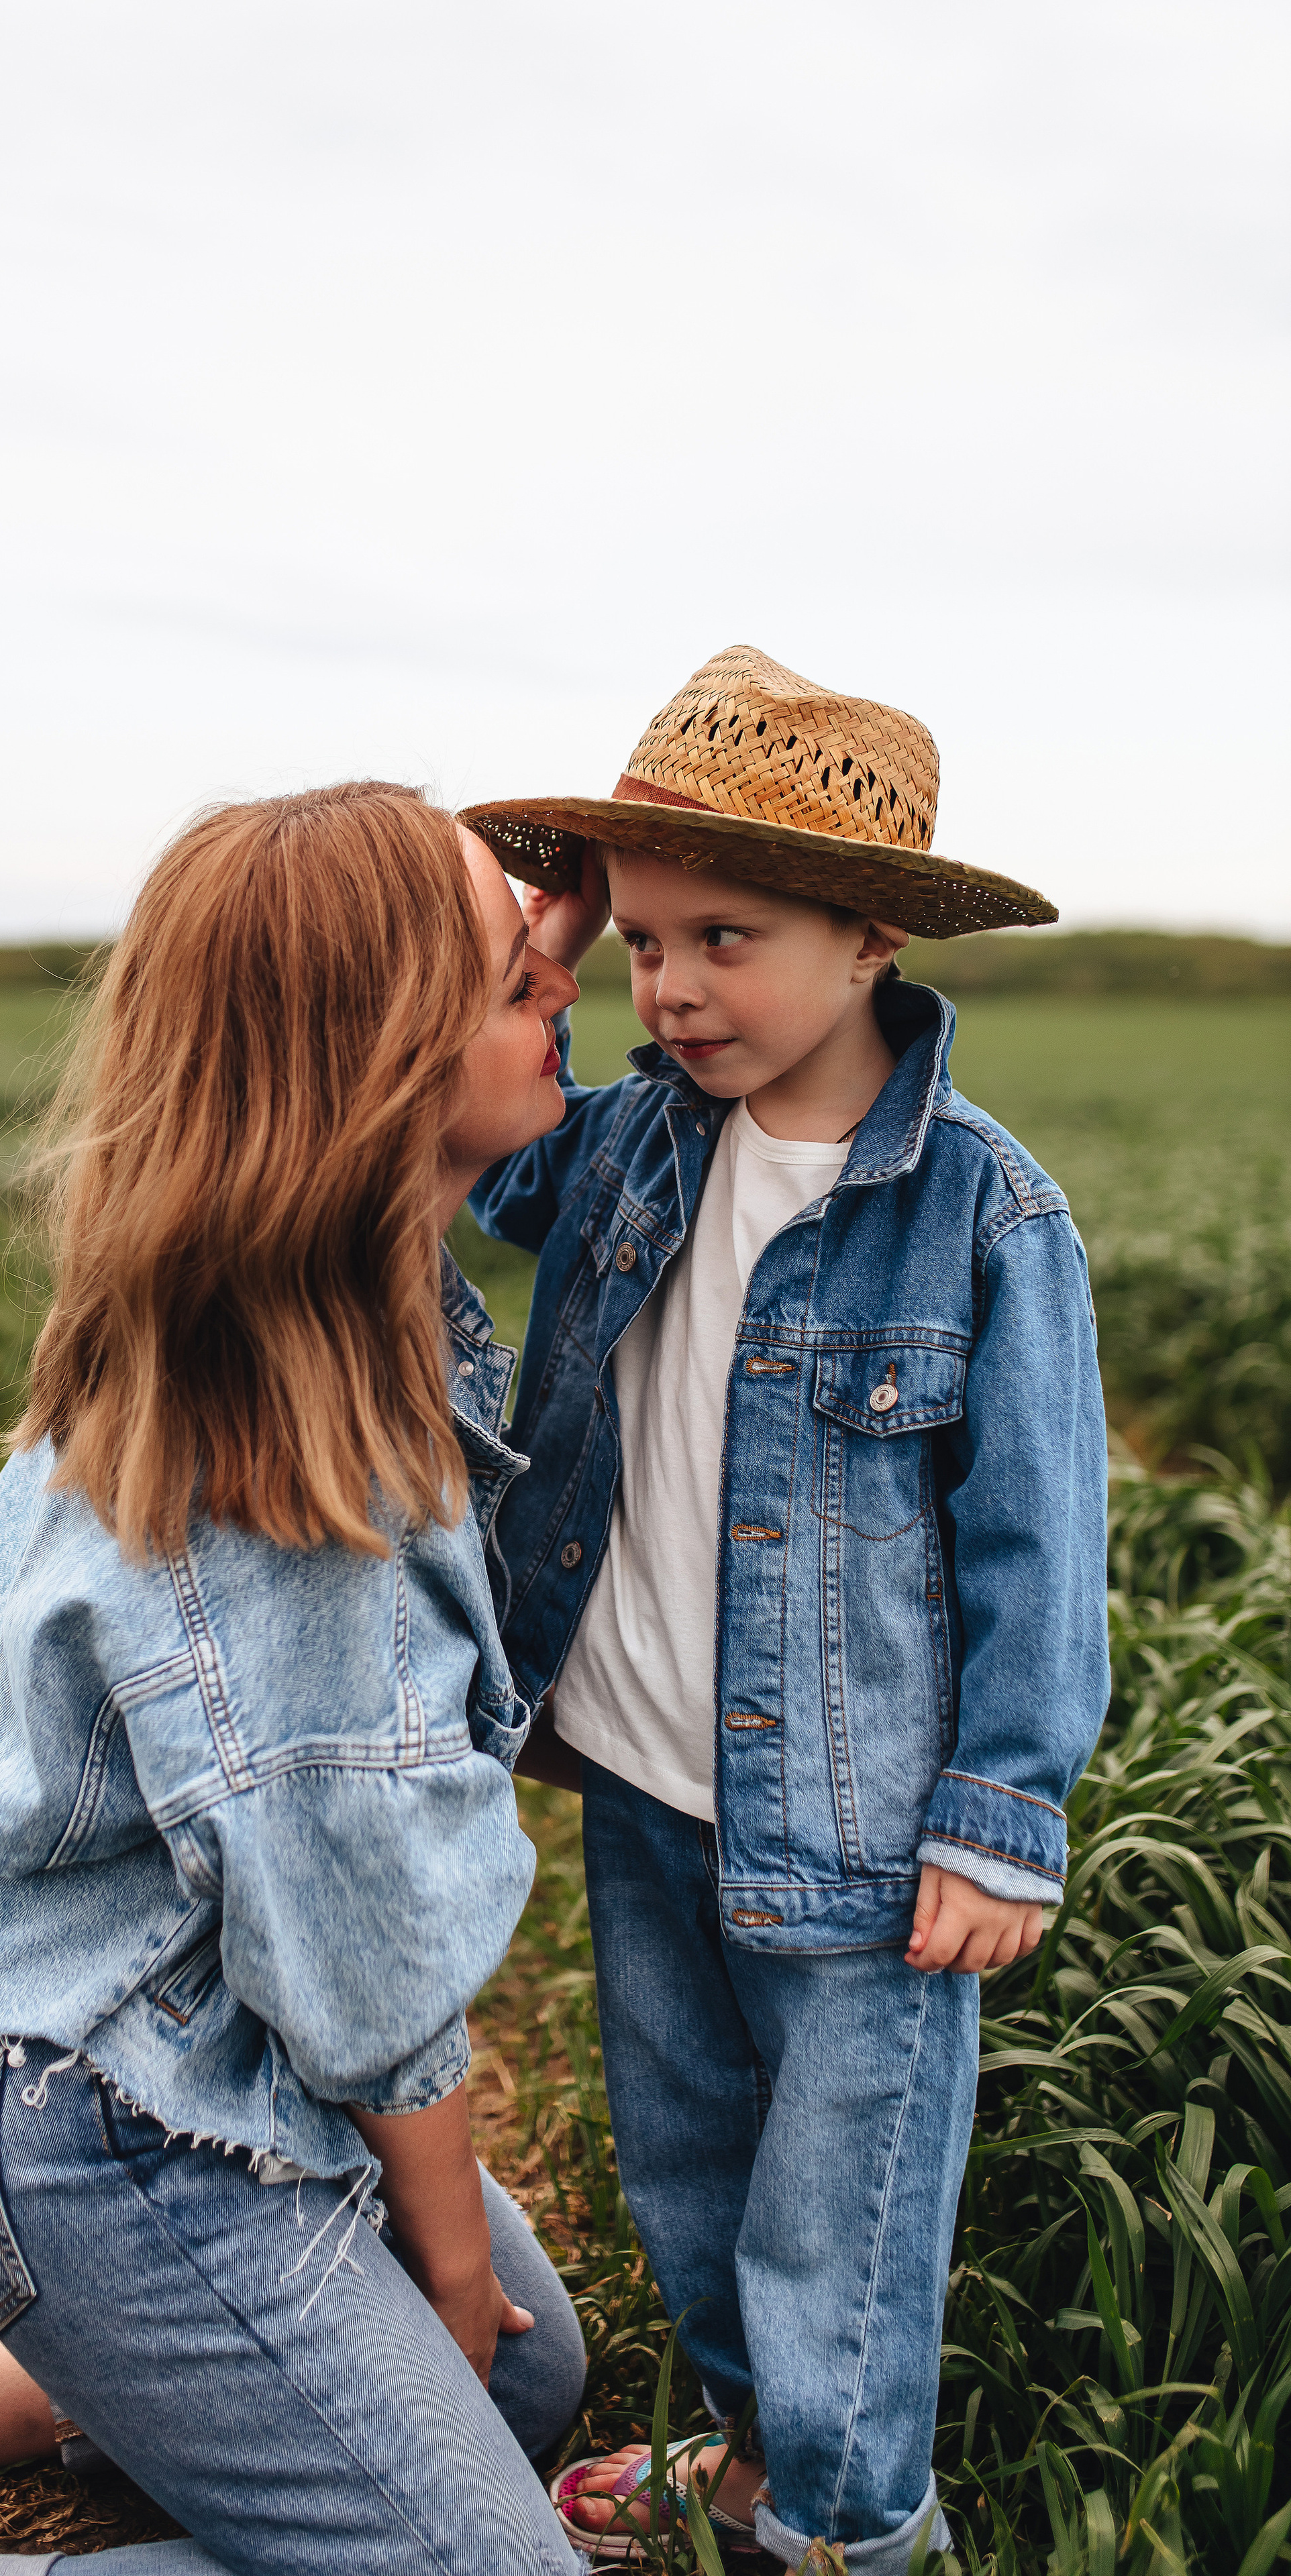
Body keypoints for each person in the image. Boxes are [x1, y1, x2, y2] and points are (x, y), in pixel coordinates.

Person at [0, 782, 591, 2576]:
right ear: (389, 1057)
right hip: (108, 2123)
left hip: (154, 2040)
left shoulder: (258, 1315)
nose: (567, 985)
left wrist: (542, 924)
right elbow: (370, 1974)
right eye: (517, 972)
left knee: (534, 2404)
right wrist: (447, 2275)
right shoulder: (314, 1488)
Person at [461, 647, 1111, 2573]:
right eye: (641, 945)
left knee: (843, 2225)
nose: (669, 991)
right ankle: (751, 2470)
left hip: (864, 1842)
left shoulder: (981, 1215)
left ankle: (842, 2536)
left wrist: (1004, 1816)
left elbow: (1037, 1545)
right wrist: (542, 946)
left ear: (874, 936)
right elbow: (489, 1146)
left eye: (721, 937)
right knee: (689, 2180)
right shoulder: (637, 1144)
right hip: (650, 1797)